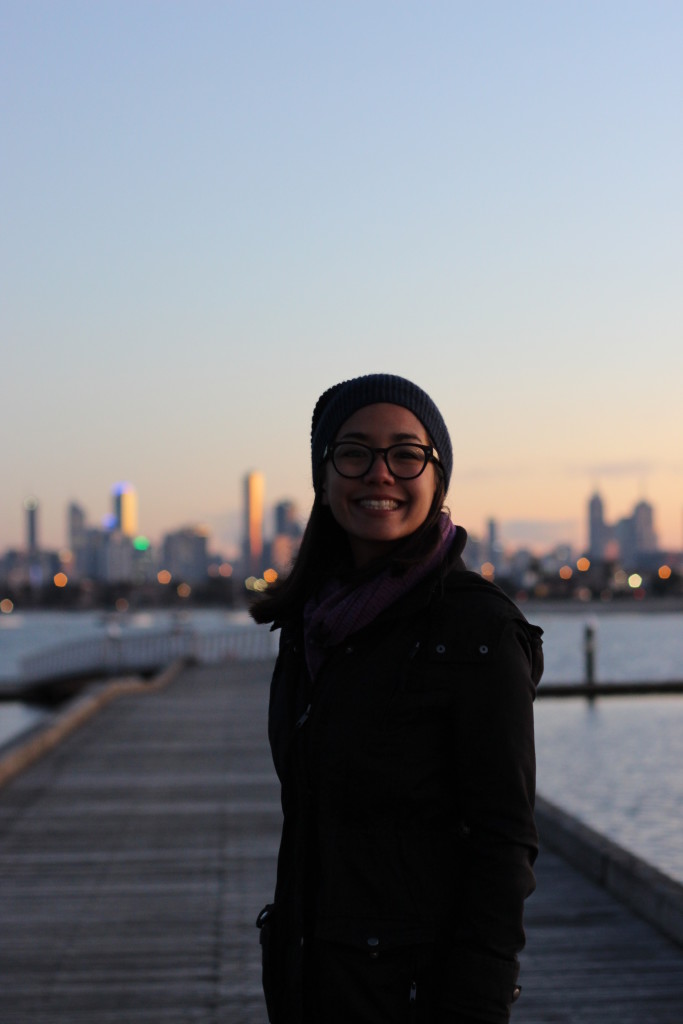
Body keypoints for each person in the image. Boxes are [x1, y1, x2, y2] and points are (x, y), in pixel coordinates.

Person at [251, 373, 543, 1024]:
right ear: (324, 481)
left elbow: (503, 842)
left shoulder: (476, 631)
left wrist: (476, 1004)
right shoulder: (309, 625)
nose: (379, 473)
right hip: (313, 986)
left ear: (436, 476)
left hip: (421, 997)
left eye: (405, 454)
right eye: (353, 453)